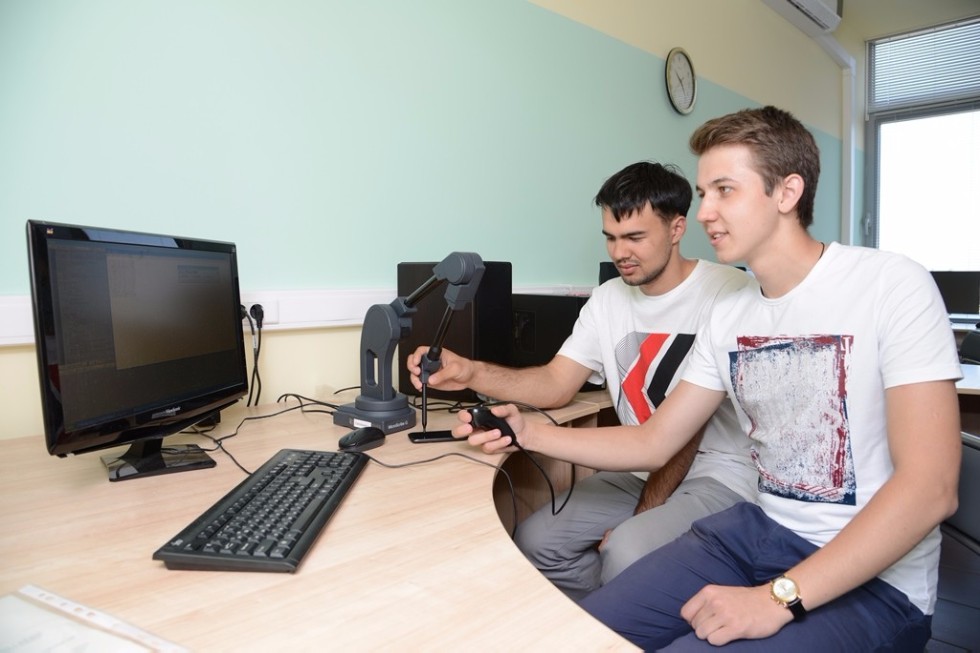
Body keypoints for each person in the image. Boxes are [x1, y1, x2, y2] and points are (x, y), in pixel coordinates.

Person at [459, 106, 962, 651]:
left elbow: (930, 489)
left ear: (787, 192)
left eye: (725, 190)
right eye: (704, 194)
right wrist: (527, 431)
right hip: (757, 534)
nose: (704, 213)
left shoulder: (891, 284)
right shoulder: (730, 314)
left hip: (879, 582)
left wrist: (777, 598)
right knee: (581, 638)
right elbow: (654, 441)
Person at [407, 161, 756, 600]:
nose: (619, 252)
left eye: (634, 238)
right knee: (536, 543)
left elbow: (681, 438)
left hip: (718, 475)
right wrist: (470, 372)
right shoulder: (608, 299)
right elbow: (556, 383)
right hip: (639, 465)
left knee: (628, 551)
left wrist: (640, 517)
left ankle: (631, 606)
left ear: (676, 228)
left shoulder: (728, 293)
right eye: (611, 237)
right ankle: (607, 617)